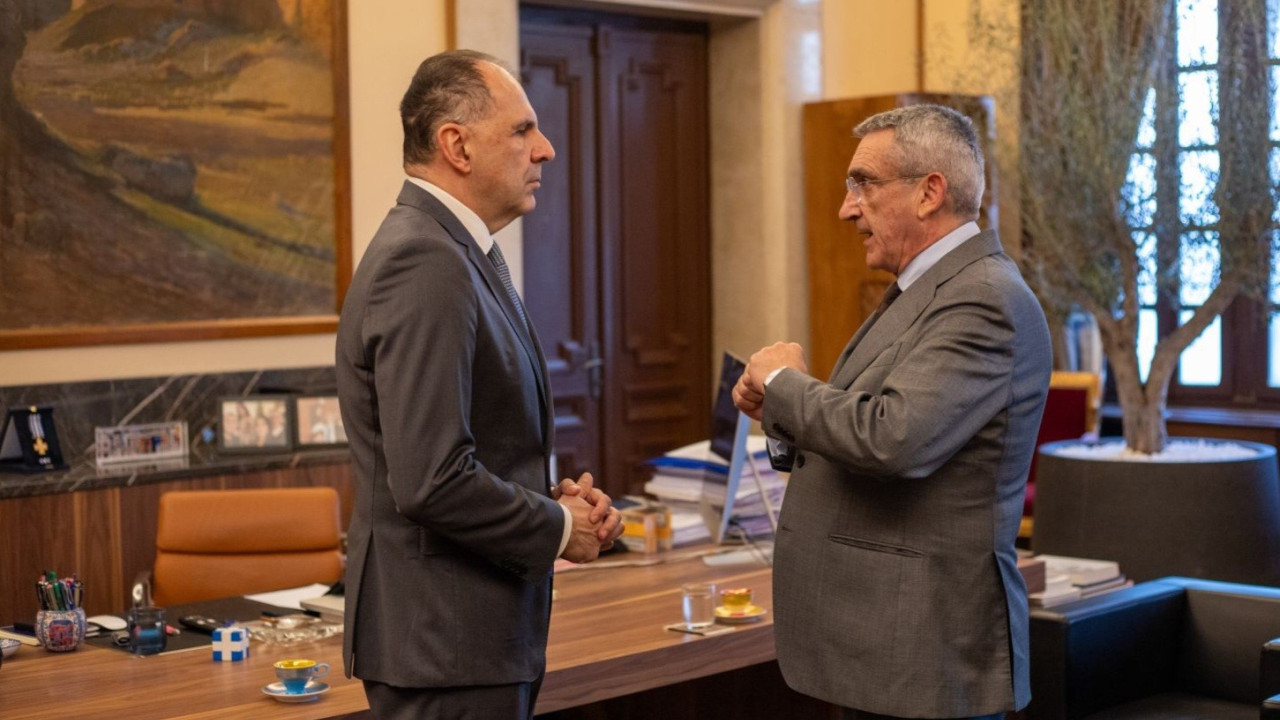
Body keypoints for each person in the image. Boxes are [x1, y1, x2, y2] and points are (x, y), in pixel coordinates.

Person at [733, 104, 1052, 720]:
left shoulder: (983, 299)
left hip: (923, 649)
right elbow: (874, 420)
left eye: (864, 183)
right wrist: (779, 406)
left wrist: (784, 384)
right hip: (884, 644)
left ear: (930, 192)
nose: (846, 208)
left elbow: (892, 439)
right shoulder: (931, 287)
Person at [336, 50, 623, 720]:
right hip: (445, 644)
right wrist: (559, 527)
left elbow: (471, 446)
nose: (545, 149)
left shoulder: (461, 250)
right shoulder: (425, 258)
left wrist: (553, 502)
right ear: (456, 145)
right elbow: (432, 479)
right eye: (522, 130)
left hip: (469, 641)